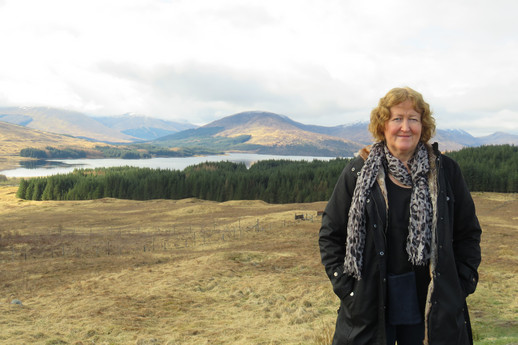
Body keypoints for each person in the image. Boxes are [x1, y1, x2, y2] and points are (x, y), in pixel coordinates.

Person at [318, 87, 482, 345]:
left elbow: (468, 234)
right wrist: (349, 291)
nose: (405, 127)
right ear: (383, 125)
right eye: (397, 119)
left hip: (430, 304)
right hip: (370, 304)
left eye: (413, 119)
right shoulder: (358, 172)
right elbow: (331, 235)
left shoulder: (446, 172)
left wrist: (460, 287)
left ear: (422, 126)